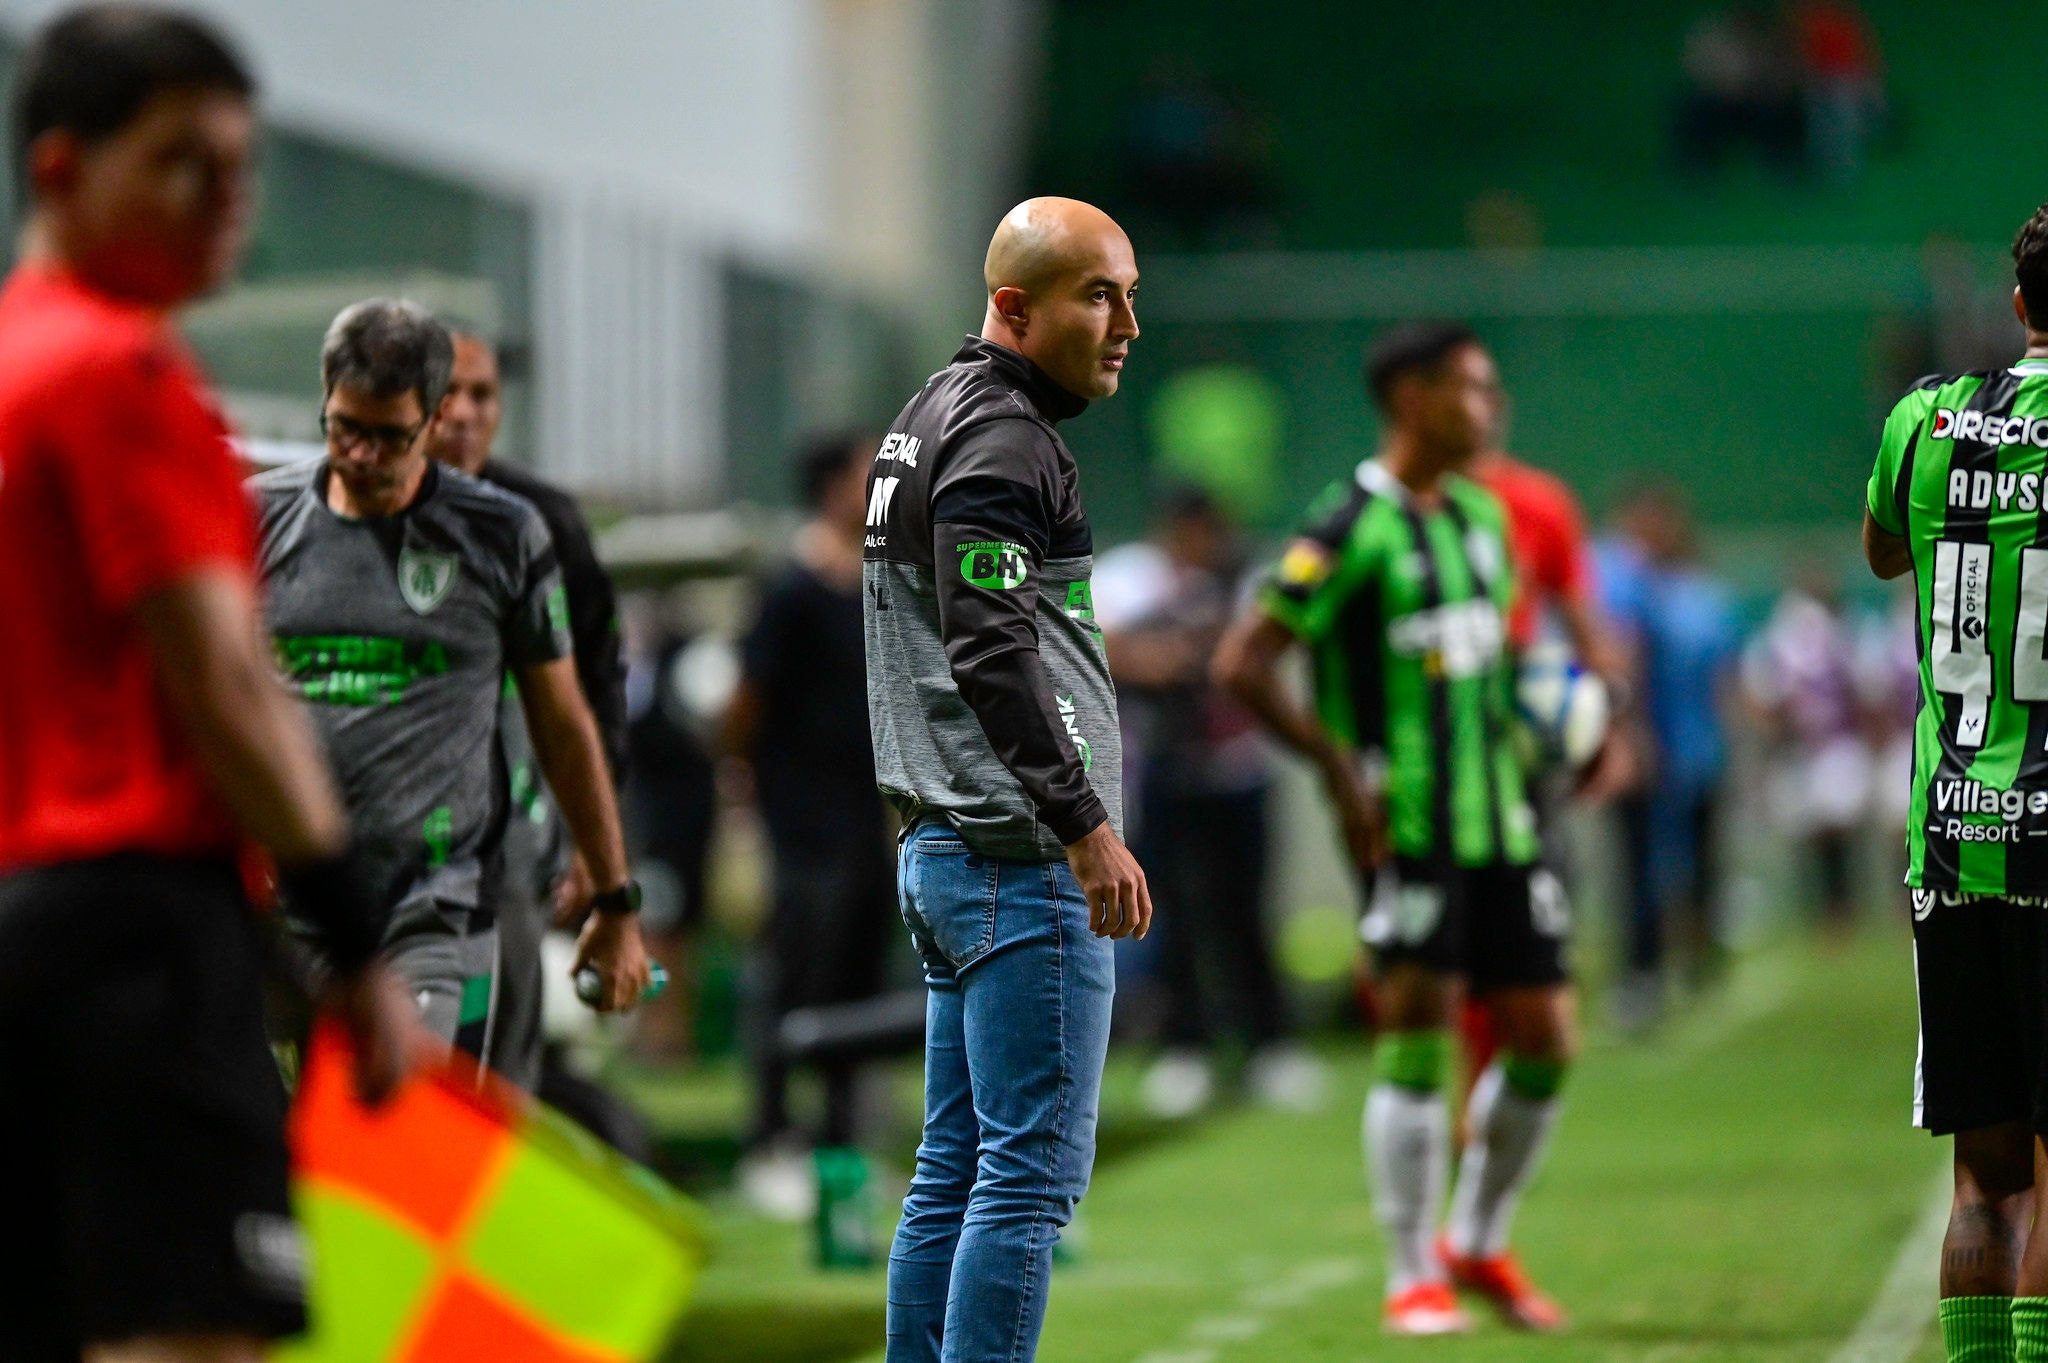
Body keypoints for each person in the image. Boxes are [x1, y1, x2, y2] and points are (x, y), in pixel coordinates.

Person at [0, 9, 418, 1361]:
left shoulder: (12, 360)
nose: (227, 194)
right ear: (62, 167)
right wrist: (356, 947)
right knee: (192, 1339)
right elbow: (226, 682)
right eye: (184, 158)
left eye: (240, 162)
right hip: (140, 934)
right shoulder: (123, 375)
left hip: (25, 929)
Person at [1215, 322, 1573, 1336]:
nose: (1489, 406)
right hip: (1407, 825)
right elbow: (1242, 660)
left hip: (1500, 820)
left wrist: (1566, 730)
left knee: (1544, 1035)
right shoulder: (1343, 528)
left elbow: (1489, 665)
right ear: (1412, 399)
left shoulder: (1478, 517)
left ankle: (1476, 1237)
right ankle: (1410, 1271)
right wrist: (1336, 769)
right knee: (1416, 1029)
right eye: (1471, 387)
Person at [865, 196, 1150, 1363]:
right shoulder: (1002, 437)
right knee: (1026, 1182)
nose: (1127, 321)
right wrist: (1082, 825)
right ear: (1013, 307)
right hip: (1013, 857)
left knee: (954, 1167)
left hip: (944, 844)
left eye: (1129, 292)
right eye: (1098, 296)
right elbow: (989, 647)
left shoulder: (932, 410)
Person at [252, 300, 651, 1067]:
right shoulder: (256, 521)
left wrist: (613, 895)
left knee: (398, 1167)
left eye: (389, 436)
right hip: (276, 908)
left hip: (432, 913)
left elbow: (565, 721)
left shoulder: (504, 533)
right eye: (344, 427)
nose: (362, 455)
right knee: (265, 1166)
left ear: (434, 420)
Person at [1863, 202, 2048, 1363]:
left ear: (2020, 304)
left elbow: (1886, 546)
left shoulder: (1924, 420)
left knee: (1981, 1171)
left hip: (1954, 836)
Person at [427, 326, 629, 1090]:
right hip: (384, 849)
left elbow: (597, 690)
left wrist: (595, 839)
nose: (465, 414)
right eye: (448, 394)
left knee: (501, 1071)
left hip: (510, 847)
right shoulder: (360, 514)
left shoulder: (539, 519)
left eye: (482, 395)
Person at [1094, 486, 1321, 1118]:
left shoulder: (1247, 579)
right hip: (1168, 775)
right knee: (1174, 917)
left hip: (1239, 772)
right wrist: (1161, 657)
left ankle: (1269, 1045)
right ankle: (1185, 1046)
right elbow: (1098, 644)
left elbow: (1259, 651)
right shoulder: (1133, 578)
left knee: (1248, 910)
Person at [727, 432, 899, 1186]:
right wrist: (745, 784)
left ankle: (839, 1145)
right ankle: (770, 1141)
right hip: (804, 821)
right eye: (871, 473)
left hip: (867, 818)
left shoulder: (878, 581)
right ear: (835, 487)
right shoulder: (791, 588)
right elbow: (745, 701)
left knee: (858, 982)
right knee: (798, 975)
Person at [1598, 489, 1740, 1028]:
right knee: (1639, 866)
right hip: (1648, 749)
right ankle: (1644, 972)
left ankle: (1671, 962)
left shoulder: (1677, 592)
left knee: (1679, 863)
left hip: (1681, 750)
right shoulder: (1623, 577)